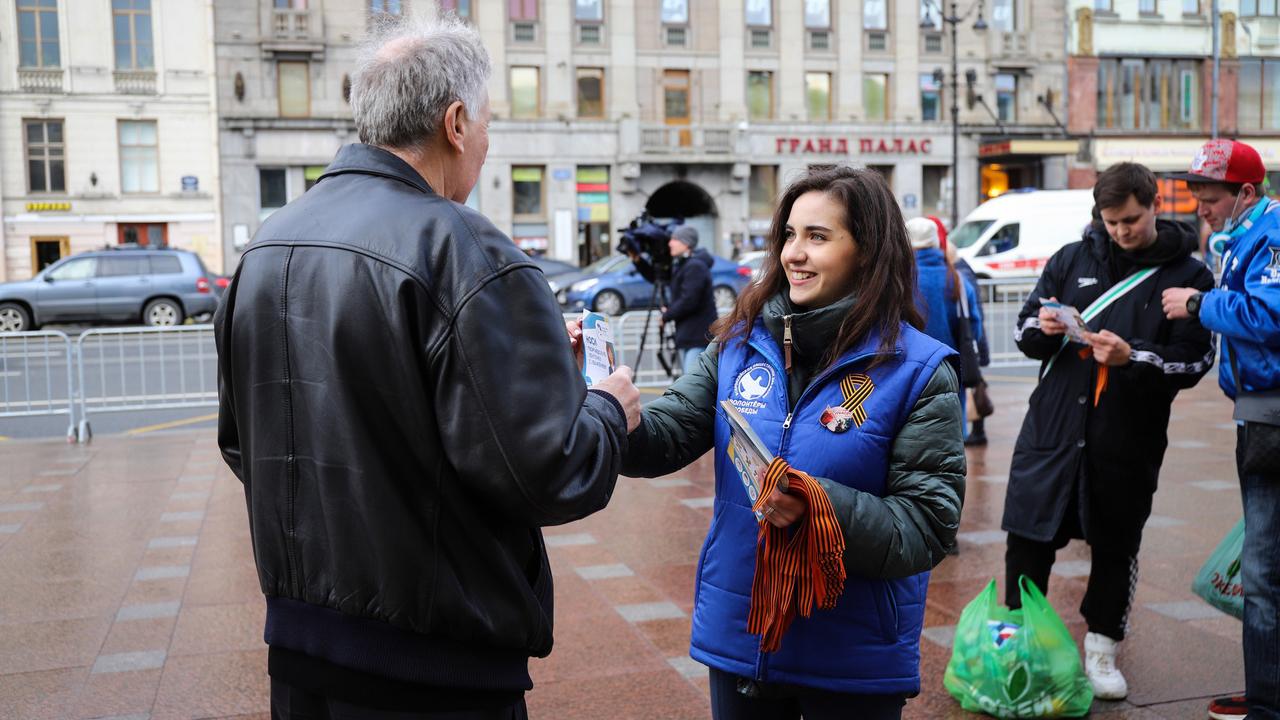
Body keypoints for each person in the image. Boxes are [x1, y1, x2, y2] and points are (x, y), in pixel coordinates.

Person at [213, 15, 640, 719]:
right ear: (456, 122)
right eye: (488, 124)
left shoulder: (269, 244)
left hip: (301, 656)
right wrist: (604, 407)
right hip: (435, 669)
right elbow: (551, 474)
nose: (488, 143)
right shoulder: (464, 247)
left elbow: (245, 443)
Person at [612, 167, 965, 719]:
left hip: (852, 656)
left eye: (818, 237)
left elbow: (928, 526)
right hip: (741, 636)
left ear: (868, 252)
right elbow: (665, 435)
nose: (793, 255)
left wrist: (818, 508)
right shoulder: (738, 343)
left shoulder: (919, 371)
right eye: (789, 236)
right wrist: (609, 407)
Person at [1004, 162, 1214, 701]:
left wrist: (1132, 356)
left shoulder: (1188, 276)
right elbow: (1025, 328)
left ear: (1155, 206)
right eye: (1112, 220)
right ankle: (1013, 645)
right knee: (1027, 540)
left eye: (1132, 219)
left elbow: (1193, 361)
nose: (1122, 230)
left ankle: (1101, 650)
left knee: (1116, 544)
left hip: (1126, 437)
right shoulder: (1071, 259)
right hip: (1052, 427)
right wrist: (1045, 328)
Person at [1160, 139, 1280, 720]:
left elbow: (1269, 316)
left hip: (1273, 416)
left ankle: (1267, 703)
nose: (1201, 209)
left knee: (1264, 572)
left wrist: (1197, 302)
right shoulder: (1243, 237)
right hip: (1257, 413)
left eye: (1210, 199)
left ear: (1247, 193)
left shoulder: (1273, 235)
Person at [906, 217, 984, 434]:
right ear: (935, 242)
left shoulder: (899, 279)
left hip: (909, 372)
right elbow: (974, 328)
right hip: (950, 371)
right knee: (951, 439)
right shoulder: (957, 279)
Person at [932, 215, 995, 446]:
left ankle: (977, 432)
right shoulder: (955, 270)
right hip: (957, 356)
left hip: (951, 357)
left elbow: (972, 314)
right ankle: (974, 432)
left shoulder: (956, 272)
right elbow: (974, 318)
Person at [658, 225, 719, 375]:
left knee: (693, 382)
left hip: (698, 336)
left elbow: (689, 300)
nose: (670, 243)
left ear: (686, 244)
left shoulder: (695, 267)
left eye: (674, 239)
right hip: (689, 335)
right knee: (691, 380)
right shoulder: (684, 265)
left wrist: (667, 315)